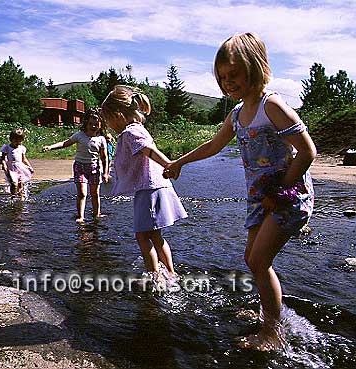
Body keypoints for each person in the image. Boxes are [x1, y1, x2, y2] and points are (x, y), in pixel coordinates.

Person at [164, 33, 316, 351]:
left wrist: (282, 190)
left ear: (255, 68)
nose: (227, 82)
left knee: (260, 261)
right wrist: (180, 161)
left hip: (288, 196)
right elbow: (213, 145)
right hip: (260, 198)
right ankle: (267, 313)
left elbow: (307, 152)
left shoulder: (271, 105)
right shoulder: (236, 115)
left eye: (233, 74)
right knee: (251, 258)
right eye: (222, 77)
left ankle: (274, 333)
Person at [101, 85, 187, 282]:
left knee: (142, 236)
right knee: (155, 235)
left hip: (149, 188)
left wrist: (169, 164)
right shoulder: (136, 129)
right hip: (152, 187)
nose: (110, 125)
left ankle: (155, 276)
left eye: (109, 120)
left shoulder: (131, 132)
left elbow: (148, 150)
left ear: (118, 115)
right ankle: (169, 273)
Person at [42, 108, 110, 222]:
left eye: (96, 124)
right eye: (90, 124)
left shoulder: (101, 139)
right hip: (80, 168)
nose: (93, 126)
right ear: (86, 123)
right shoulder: (80, 135)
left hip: (94, 168)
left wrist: (106, 173)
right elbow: (65, 143)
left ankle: (97, 214)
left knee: (95, 193)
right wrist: (51, 147)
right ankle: (80, 216)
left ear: (100, 125)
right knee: (82, 193)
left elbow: (104, 158)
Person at [1, 128, 34, 199]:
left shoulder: (21, 148)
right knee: (14, 183)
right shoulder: (7, 147)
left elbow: (24, 159)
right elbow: (3, 158)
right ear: (11, 139)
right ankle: (12, 196)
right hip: (11, 168)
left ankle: (21, 196)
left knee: (20, 183)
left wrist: (30, 166)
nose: (17, 143)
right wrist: (3, 164)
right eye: (15, 141)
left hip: (20, 167)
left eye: (19, 141)